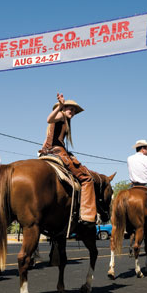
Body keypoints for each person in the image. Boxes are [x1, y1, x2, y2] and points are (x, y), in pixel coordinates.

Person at [41, 93, 96, 225]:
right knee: (87, 178)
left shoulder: (60, 123)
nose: (72, 111)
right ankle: (87, 216)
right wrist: (59, 106)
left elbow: (45, 142)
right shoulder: (60, 116)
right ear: (63, 109)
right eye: (70, 108)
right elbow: (49, 119)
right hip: (58, 152)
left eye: (74, 110)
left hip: (49, 151)